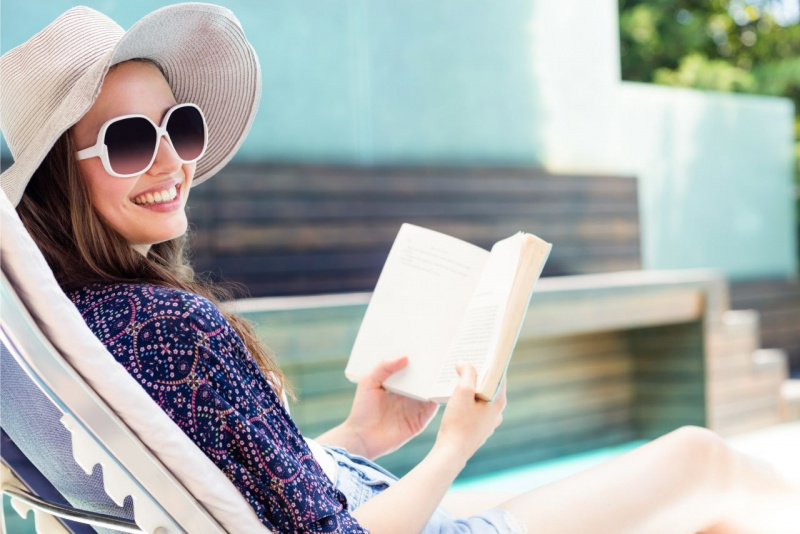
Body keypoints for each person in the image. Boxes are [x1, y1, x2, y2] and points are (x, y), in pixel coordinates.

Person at [2, 4, 799, 534]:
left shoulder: (68, 335)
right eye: (132, 142)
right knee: (704, 459)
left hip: (354, 493)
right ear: (60, 181)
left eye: (179, 126)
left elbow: (222, 501)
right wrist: (456, 445)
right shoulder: (172, 328)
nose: (172, 160)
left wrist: (360, 436)